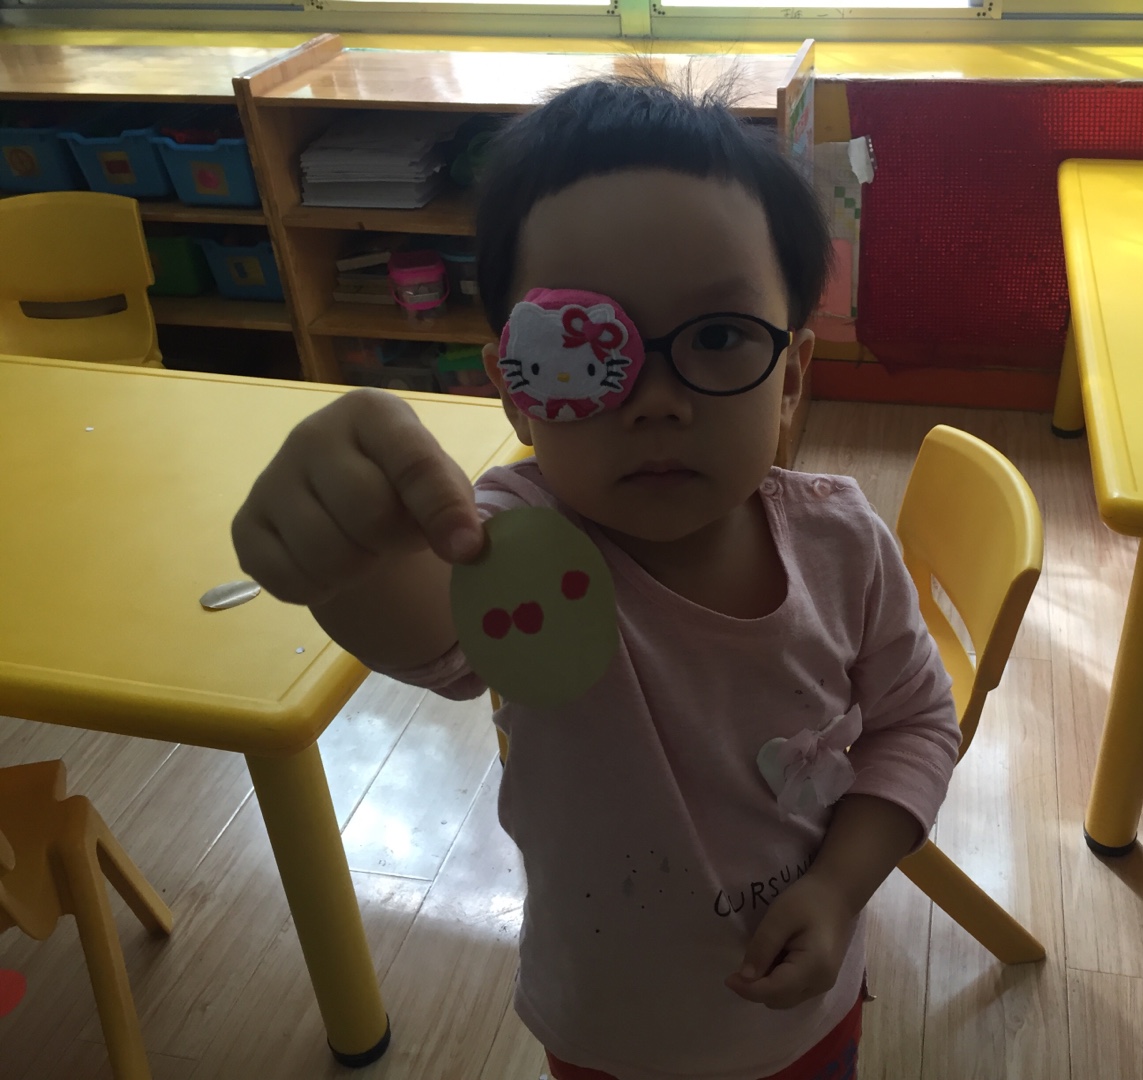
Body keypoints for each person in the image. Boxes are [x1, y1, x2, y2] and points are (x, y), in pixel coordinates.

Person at [232, 74, 961, 1080]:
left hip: (808, 1014)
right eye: (582, 347)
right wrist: (349, 553)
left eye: (718, 336)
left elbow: (916, 722)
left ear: (791, 375)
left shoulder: (843, 547)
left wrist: (840, 888)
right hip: (610, 1035)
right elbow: (431, 628)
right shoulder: (519, 544)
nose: (656, 400)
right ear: (515, 390)